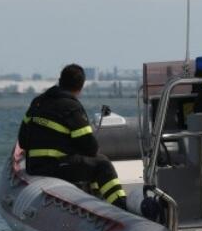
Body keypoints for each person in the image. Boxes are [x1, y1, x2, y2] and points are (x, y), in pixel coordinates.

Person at [18, 64, 128, 209]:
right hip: (54, 167)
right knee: (102, 164)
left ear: (60, 80)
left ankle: (95, 201)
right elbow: (90, 148)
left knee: (88, 162)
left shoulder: (37, 102)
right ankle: (120, 207)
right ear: (81, 87)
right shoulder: (72, 107)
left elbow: (23, 141)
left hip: (33, 167)